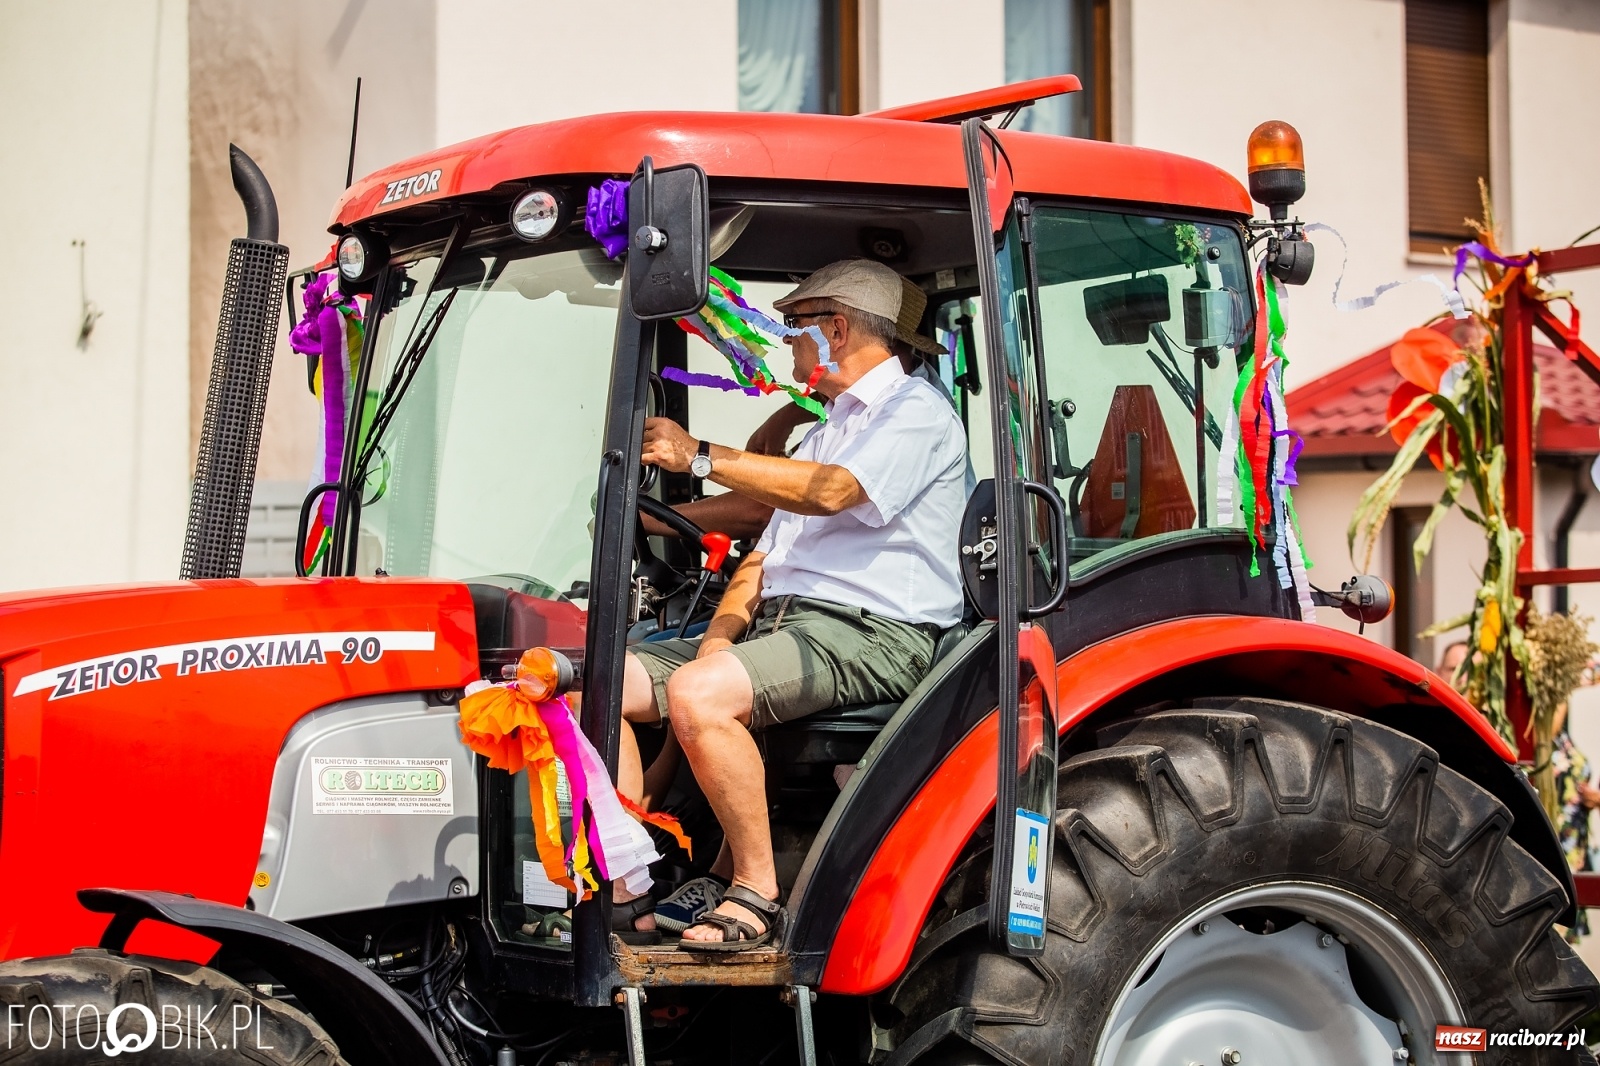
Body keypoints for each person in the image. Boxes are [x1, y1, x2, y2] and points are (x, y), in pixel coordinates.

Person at [616, 259, 969, 950]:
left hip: (875, 633)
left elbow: (832, 491)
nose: (787, 345)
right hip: (784, 623)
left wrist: (698, 456)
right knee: (599, 681)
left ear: (836, 330)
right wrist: (720, 632)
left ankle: (755, 889)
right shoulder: (825, 428)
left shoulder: (916, 414)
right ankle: (634, 875)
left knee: (697, 695)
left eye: (795, 329)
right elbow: (765, 555)